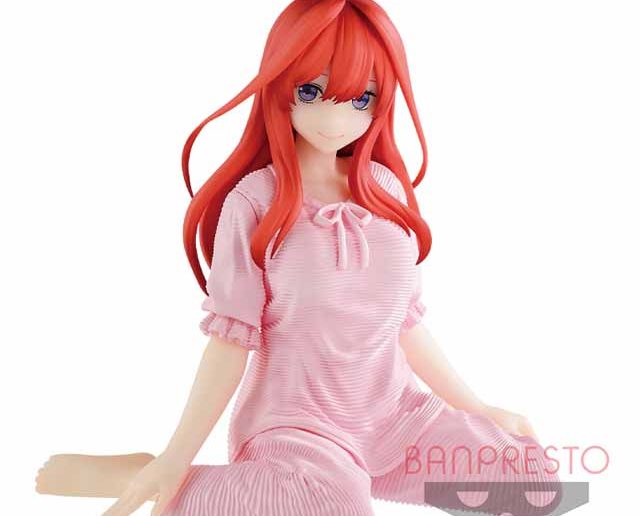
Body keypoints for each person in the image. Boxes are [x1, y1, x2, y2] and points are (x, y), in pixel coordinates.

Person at [35, 1, 563, 515]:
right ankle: (160, 479)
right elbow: (230, 342)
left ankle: (288, 485)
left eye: (360, 98)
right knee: (335, 507)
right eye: (311, 92)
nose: (335, 118)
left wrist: (476, 408)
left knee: (533, 483)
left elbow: (404, 322)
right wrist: (175, 457)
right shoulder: (256, 202)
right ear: (280, 86)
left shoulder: (386, 190)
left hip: (394, 416)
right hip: (297, 427)